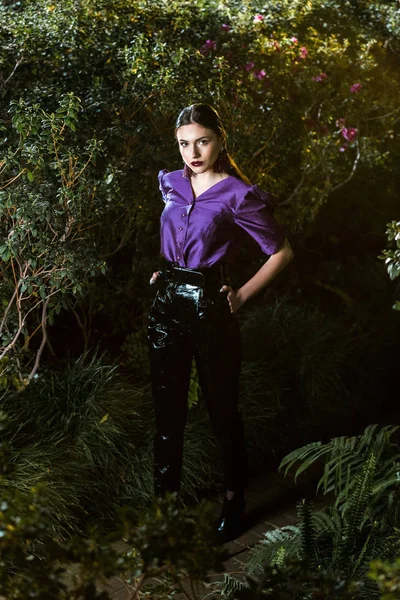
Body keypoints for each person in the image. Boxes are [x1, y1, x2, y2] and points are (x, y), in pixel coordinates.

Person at [148, 103, 293, 541]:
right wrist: (166, 271)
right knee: (167, 417)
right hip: (166, 306)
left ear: (220, 140)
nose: (193, 152)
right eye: (184, 143)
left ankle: (234, 502)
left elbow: (281, 252)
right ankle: (164, 517)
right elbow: (178, 232)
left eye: (202, 141)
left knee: (222, 412)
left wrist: (243, 294)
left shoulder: (236, 194)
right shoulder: (170, 182)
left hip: (211, 306)